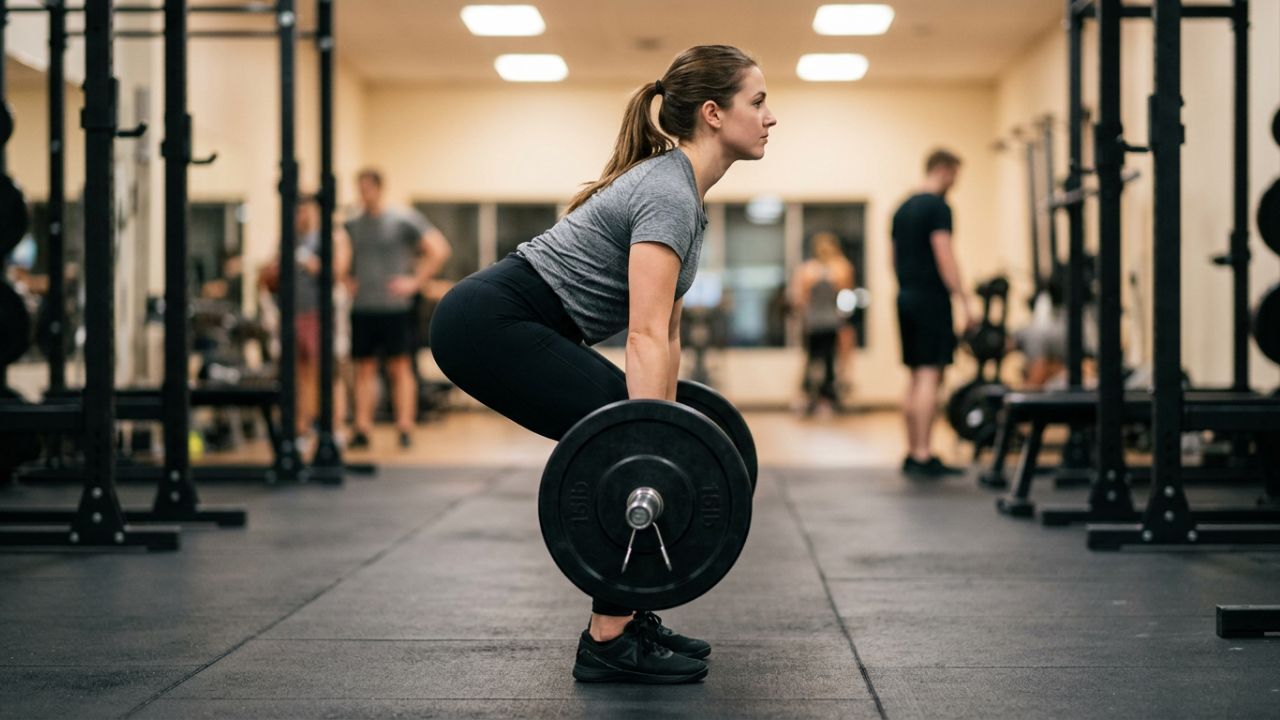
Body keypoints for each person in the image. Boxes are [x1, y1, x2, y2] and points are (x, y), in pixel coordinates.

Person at [430, 45, 775, 684]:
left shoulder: (685, 196)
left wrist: (672, 435)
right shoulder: (670, 192)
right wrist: (654, 443)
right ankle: (608, 641)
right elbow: (641, 336)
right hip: (488, 323)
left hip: (513, 322)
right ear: (713, 114)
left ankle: (633, 615)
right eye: (757, 102)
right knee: (622, 445)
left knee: (641, 435)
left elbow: (666, 338)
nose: (769, 117)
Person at [345, 169, 451, 450]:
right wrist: (346, 281)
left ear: (379, 188)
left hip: (395, 307)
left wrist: (415, 282)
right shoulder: (352, 225)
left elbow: (439, 249)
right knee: (363, 369)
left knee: (399, 368)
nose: (364, 193)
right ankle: (362, 428)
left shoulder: (402, 220)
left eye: (368, 188)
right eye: (360, 188)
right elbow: (341, 258)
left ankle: (405, 426)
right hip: (363, 307)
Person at [892, 149, 972, 477]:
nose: (955, 183)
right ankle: (923, 454)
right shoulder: (938, 207)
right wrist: (965, 299)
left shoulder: (901, 208)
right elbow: (945, 255)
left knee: (915, 375)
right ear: (943, 170)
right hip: (930, 299)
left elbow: (892, 260)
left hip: (906, 296)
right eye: (954, 175)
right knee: (929, 374)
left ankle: (913, 451)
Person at [261, 195, 352, 442]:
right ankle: (301, 427)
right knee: (297, 373)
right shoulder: (286, 239)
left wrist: (313, 264)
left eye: (305, 210)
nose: (301, 215)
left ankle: (333, 427)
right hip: (292, 314)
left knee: (326, 371)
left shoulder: (333, 237)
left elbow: (338, 272)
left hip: (320, 314)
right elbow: (269, 276)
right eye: (297, 210)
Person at [790, 232, 854, 415]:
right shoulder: (840, 268)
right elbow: (800, 300)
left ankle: (822, 398)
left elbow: (799, 300)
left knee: (821, 361)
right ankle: (818, 398)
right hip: (823, 322)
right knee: (820, 361)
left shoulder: (812, 269)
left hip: (823, 323)